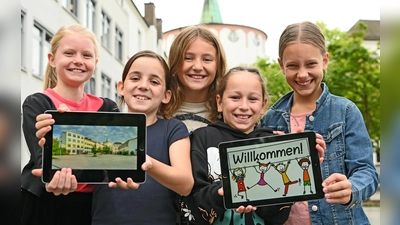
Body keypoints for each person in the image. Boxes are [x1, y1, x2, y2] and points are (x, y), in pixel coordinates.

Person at [259, 21, 379, 225]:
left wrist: (351, 188)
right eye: (293, 66)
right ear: (281, 66)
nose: (302, 74)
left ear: (325, 61)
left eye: (311, 64)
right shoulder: (270, 119)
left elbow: (367, 172)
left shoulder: (346, 111)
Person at [183, 66, 326, 225]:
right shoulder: (202, 138)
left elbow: (279, 216)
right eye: (235, 97)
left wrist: (299, 164)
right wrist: (224, 193)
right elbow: (193, 198)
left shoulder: (272, 142)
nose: (244, 106)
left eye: (252, 99)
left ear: (263, 105)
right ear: (219, 102)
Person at [21, 24, 118, 225]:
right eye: (69, 53)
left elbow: (112, 164)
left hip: (94, 208)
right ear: (52, 59)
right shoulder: (38, 103)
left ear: (96, 62)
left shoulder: (108, 106)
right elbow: (44, 161)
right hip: (44, 206)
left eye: (86, 55)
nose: (78, 61)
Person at [90, 50, 194, 224]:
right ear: (121, 87)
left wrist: (146, 162)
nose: (144, 86)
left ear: (166, 95)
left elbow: (185, 184)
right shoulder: (104, 127)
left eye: (154, 81)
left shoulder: (173, 129)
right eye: (135, 78)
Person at [160, 25, 227, 132]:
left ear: (218, 65)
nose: (197, 67)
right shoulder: (156, 110)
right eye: (188, 58)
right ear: (174, 61)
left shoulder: (228, 113)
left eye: (207, 59)